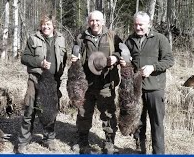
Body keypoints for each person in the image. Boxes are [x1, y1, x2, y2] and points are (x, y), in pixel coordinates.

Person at [119, 11, 174, 154]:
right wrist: (124, 63)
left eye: (141, 25)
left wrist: (153, 67)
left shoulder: (160, 39)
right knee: (138, 122)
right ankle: (141, 150)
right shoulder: (129, 40)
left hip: (155, 88)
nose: (138, 28)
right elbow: (127, 61)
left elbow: (169, 60)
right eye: (135, 24)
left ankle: (158, 152)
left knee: (157, 124)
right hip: (136, 89)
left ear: (149, 24)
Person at [14, 15, 67, 154]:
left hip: (53, 81)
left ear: (53, 25)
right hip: (36, 79)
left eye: (49, 24)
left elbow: (64, 58)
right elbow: (24, 58)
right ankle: (23, 142)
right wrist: (39, 63)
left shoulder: (61, 38)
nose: (46, 27)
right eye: (43, 24)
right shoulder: (33, 38)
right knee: (30, 109)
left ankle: (49, 139)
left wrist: (59, 74)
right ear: (40, 26)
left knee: (50, 110)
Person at [71, 10, 121, 154]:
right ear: (88, 22)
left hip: (106, 82)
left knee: (108, 114)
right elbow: (75, 52)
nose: (95, 23)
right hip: (86, 83)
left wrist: (116, 58)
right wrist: (75, 57)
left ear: (103, 21)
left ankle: (109, 142)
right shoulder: (81, 37)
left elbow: (122, 50)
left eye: (98, 20)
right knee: (83, 112)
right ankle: (82, 140)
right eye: (92, 21)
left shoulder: (113, 36)